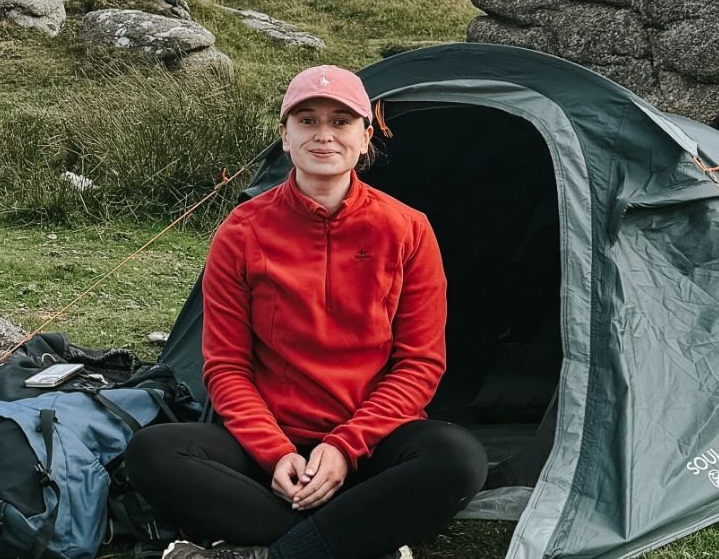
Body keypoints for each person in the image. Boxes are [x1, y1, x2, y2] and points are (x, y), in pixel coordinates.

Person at [125, 65, 485, 559]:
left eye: (341, 121)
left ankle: (278, 550)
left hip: (372, 443)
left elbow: (419, 365)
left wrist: (344, 446)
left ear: (365, 137)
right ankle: (355, 537)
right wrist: (274, 453)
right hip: (271, 448)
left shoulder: (408, 229)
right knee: (152, 452)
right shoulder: (243, 230)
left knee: (458, 459)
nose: (324, 135)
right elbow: (226, 366)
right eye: (307, 120)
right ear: (285, 136)